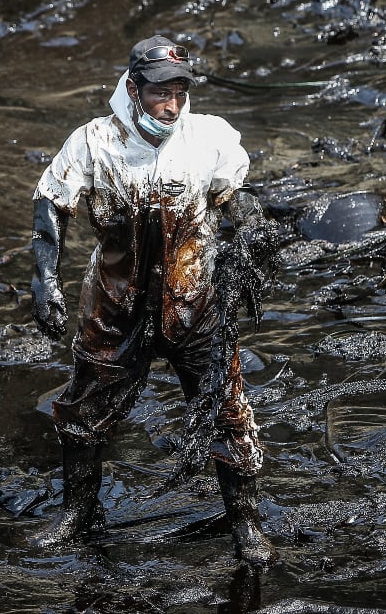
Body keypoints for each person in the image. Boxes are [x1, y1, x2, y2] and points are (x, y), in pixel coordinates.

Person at [28, 35, 278, 565]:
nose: (172, 105)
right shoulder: (95, 142)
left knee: (227, 409)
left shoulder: (208, 139)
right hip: (117, 304)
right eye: (161, 93)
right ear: (134, 88)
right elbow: (51, 205)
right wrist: (44, 280)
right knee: (85, 408)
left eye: (181, 93)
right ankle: (77, 514)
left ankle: (246, 525)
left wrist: (253, 234)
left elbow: (236, 199)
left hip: (195, 302)